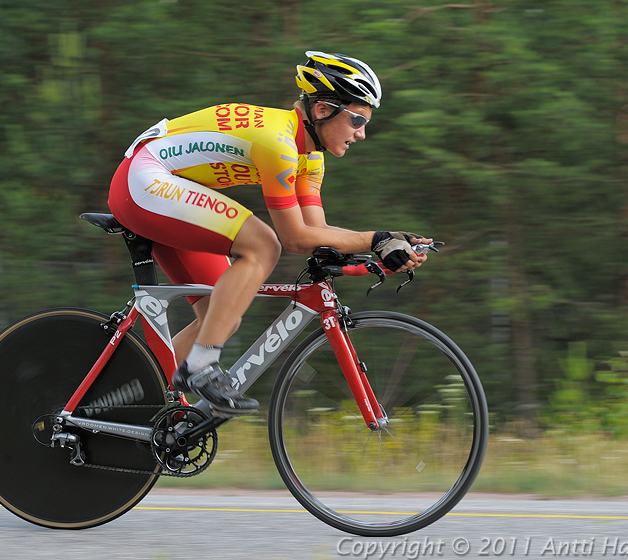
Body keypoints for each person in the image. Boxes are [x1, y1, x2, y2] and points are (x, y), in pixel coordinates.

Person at [108, 51, 431, 417]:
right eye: (357, 119)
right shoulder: (277, 143)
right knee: (263, 245)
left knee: (222, 314)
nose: (363, 133)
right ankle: (200, 368)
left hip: (165, 188)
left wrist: (383, 244)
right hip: (143, 181)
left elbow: (317, 231)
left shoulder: (310, 156)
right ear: (323, 110)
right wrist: (375, 239)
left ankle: (135, 401)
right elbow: (294, 239)